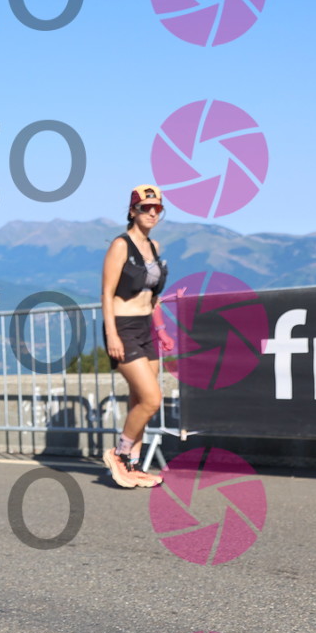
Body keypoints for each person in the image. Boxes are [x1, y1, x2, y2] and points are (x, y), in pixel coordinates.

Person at [100, 185, 176, 489]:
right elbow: (106, 293)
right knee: (151, 399)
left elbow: (152, 297)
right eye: (146, 208)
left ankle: (133, 464)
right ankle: (119, 454)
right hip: (123, 327)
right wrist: (112, 335)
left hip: (147, 328)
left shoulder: (154, 246)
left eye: (158, 208)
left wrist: (161, 330)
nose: (153, 213)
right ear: (133, 211)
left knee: (138, 400)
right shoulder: (121, 245)